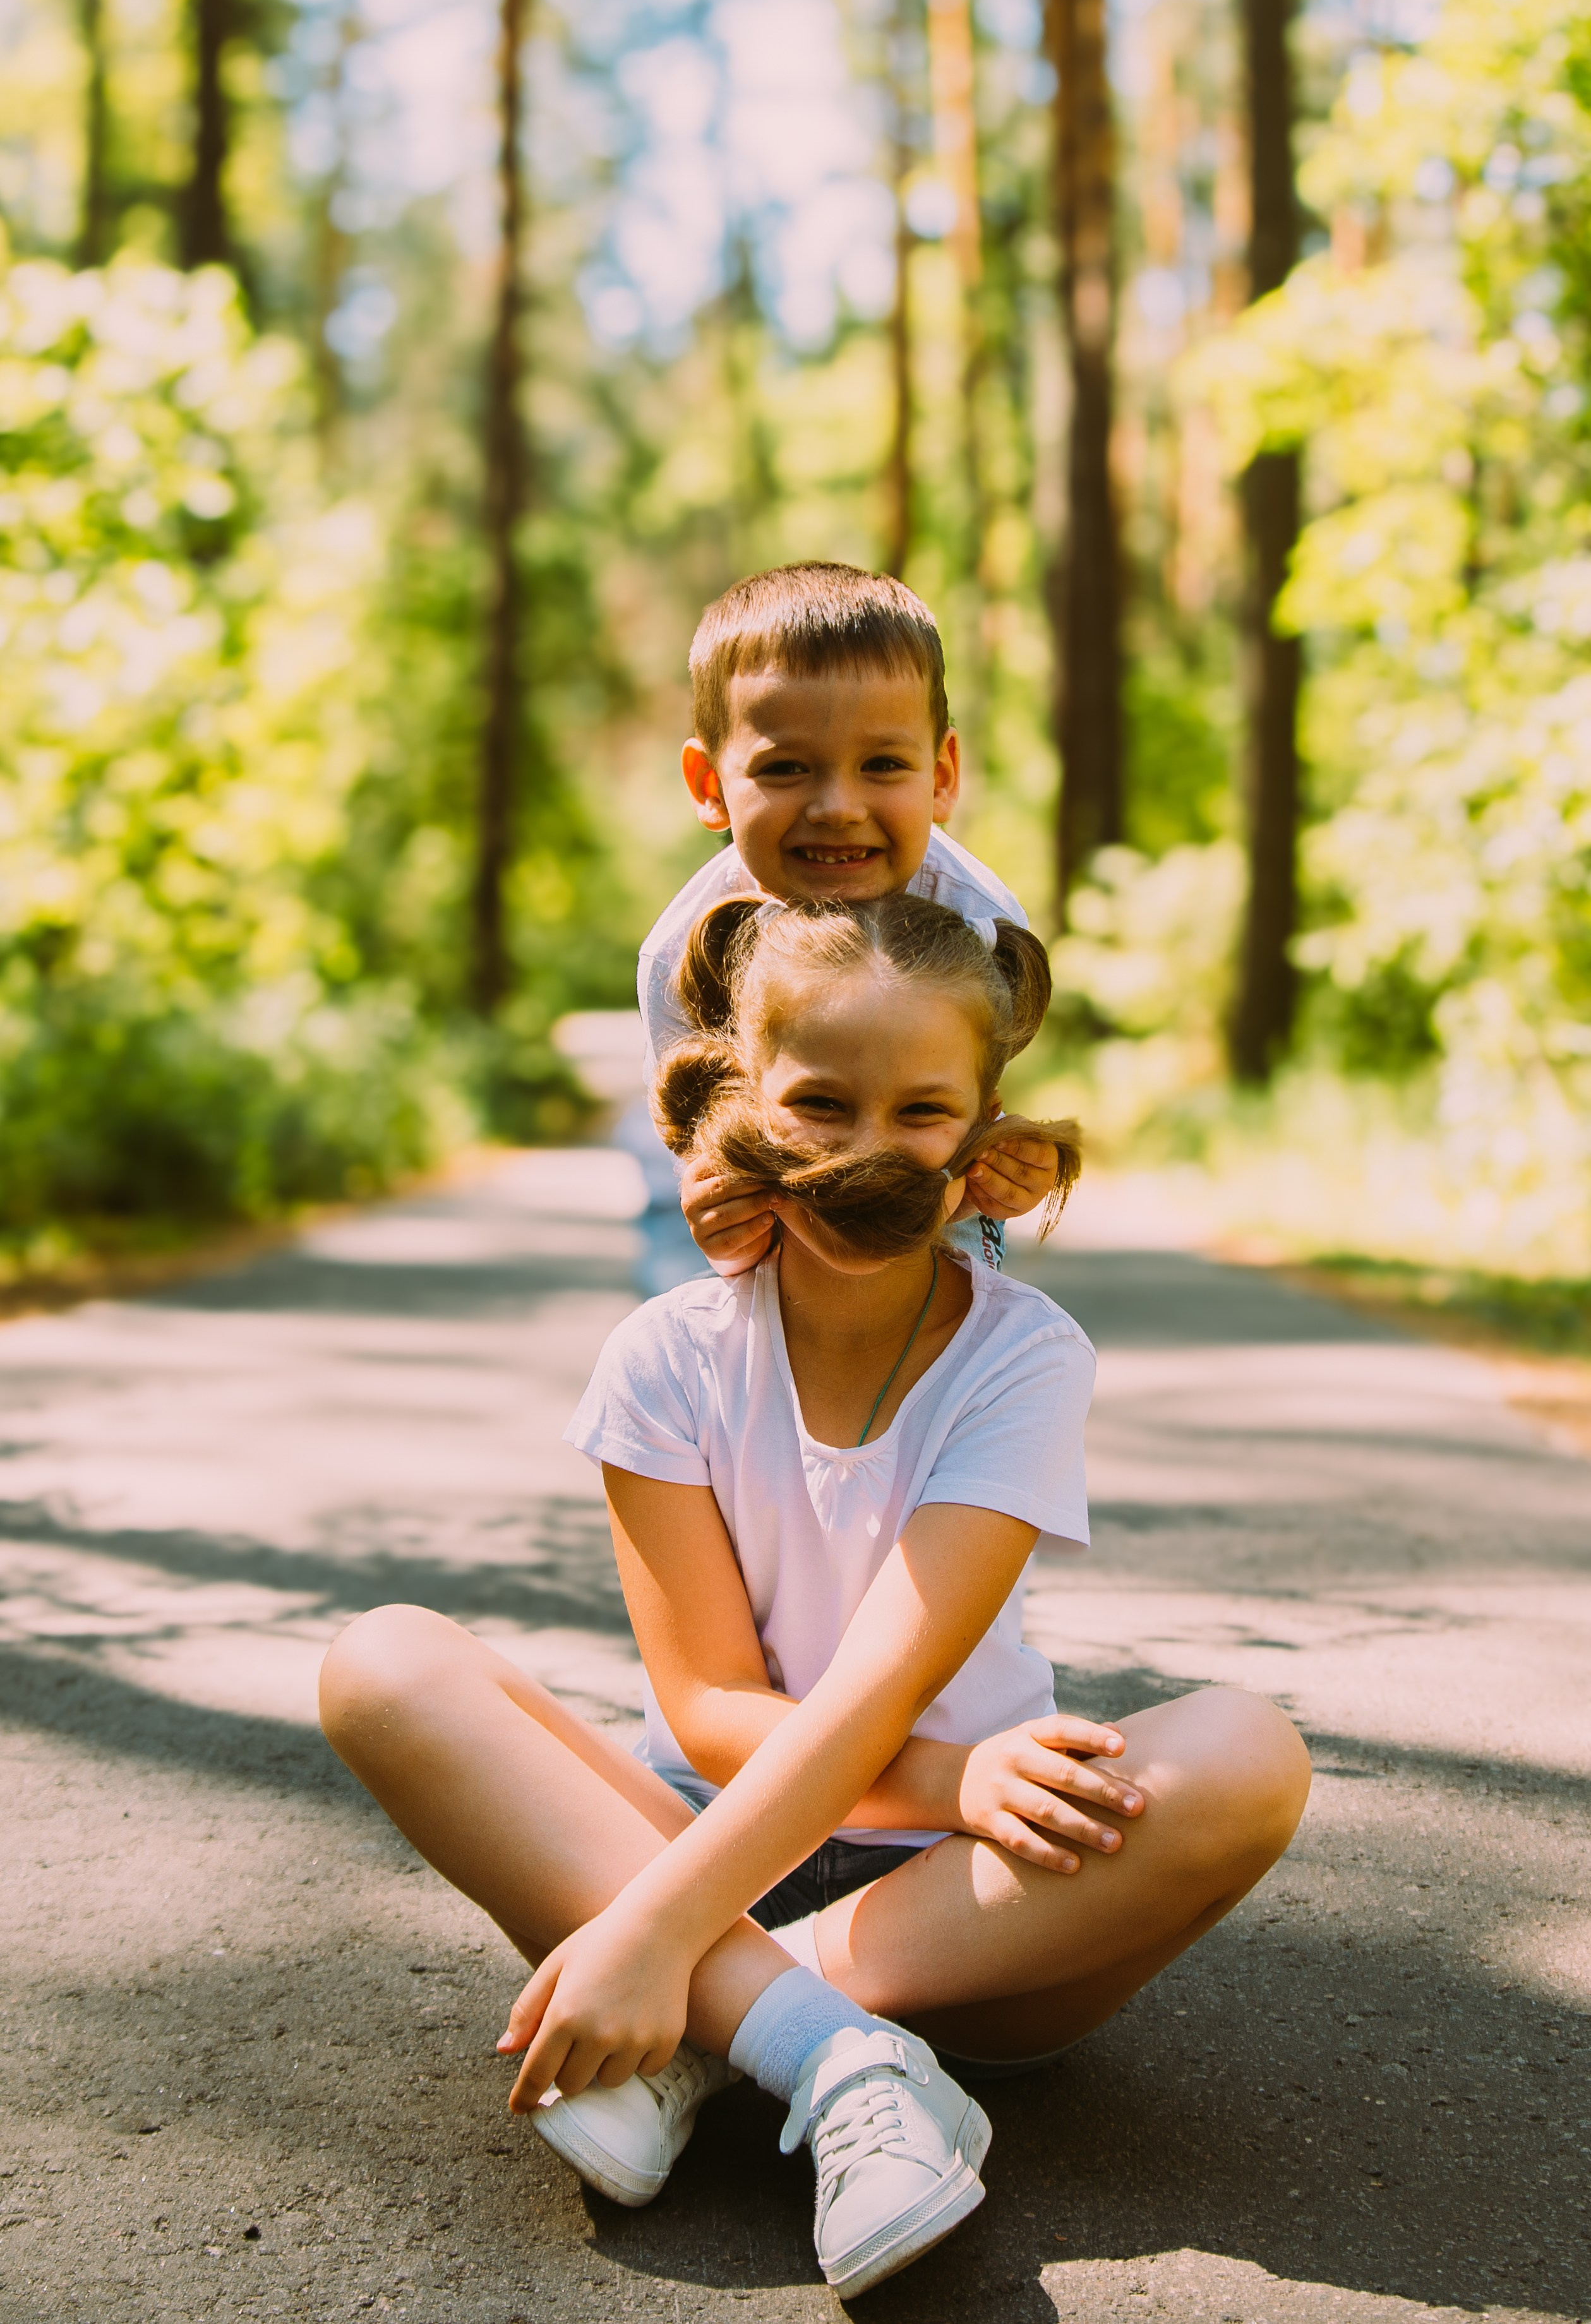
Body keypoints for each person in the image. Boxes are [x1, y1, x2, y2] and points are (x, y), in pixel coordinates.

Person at [318, 894, 1311, 2298]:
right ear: (747, 1098)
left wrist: (658, 1936)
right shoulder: (665, 1357)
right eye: (820, 1102)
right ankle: (827, 2050)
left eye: (918, 1111)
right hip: (701, 1832)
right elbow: (712, 1706)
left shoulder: (1021, 1357)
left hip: (970, 1901)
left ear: (977, 1133)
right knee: (381, 1662)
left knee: (1242, 1754)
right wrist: (684, 1892)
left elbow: (873, 1693)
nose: (865, 1147)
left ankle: (717, 2015)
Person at [640, 559, 1060, 1279]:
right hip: (769, 1189)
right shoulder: (682, 955)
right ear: (710, 786)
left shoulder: (979, 926)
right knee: (692, 1269)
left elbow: (963, 1114)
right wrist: (722, 1211)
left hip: (924, 1202)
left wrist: (1000, 1175)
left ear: (941, 775)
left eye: (882, 764)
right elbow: (704, 1138)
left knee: (955, 1296)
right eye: (784, 769)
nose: (837, 806)